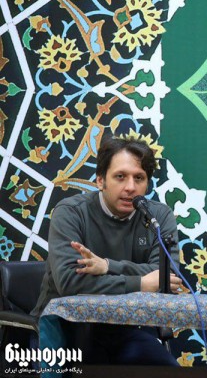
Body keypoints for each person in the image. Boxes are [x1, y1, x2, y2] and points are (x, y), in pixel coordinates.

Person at [32, 136, 182, 366]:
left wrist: (107, 266)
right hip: (63, 328)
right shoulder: (70, 212)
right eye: (120, 177)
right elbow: (71, 283)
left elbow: (166, 278)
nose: (130, 187)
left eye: (139, 178)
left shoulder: (158, 217)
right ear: (100, 180)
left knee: (168, 370)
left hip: (122, 330)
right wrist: (141, 283)